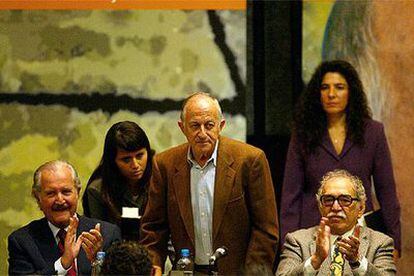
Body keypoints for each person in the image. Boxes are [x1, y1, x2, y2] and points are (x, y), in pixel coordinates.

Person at [140, 92, 279, 275]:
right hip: (187, 271)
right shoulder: (165, 164)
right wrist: (154, 264)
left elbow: (266, 229)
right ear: (182, 128)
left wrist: (253, 273)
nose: (202, 134)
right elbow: (153, 228)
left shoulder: (249, 160)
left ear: (221, 126)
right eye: (195, 126)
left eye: (209, 125)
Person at [280, 60, 401, 255]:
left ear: (350, 92)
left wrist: (394, 241)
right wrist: (288, 246)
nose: (331, 94)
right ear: (317, 94)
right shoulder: (303, 134)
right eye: (325, 87)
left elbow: (387, 192)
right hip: (314, 233)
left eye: (339, 87)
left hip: (361, 233)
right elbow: (290, 197)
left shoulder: (372, 132)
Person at [8, 160, 121, 275]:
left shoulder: (107, 234)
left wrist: (98, 262)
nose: (60, 200)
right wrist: (63, 264)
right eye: (51, 193)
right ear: (38, 198)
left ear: (77, 193)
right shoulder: (22, 241)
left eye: (66, 192)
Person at [276, 169, 396, 275]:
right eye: (328, 200)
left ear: (361, 209)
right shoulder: (297, 241)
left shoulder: (380, 243)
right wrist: (315, 260)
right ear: (320, 206)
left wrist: (357, 262)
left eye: (345, 200)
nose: (336, 207)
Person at [82, 121, 153, 240]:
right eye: (126, 159)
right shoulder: (98, 190)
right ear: (113, 161)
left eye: (139, 156)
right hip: (114, 253)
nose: (135, 165)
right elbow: (101, 239)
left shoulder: (159, 180)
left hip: (153, 252)